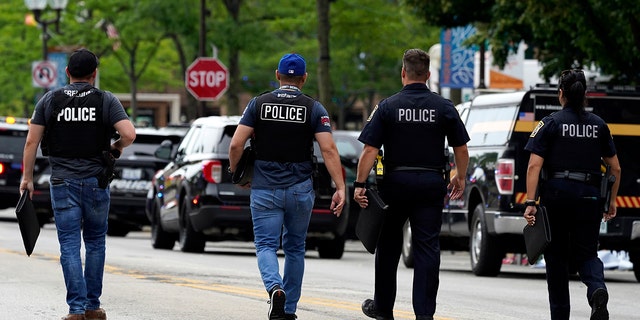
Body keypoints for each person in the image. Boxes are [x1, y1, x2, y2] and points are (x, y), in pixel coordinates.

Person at [353, 48, 470, 320]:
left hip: (394, 184)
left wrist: (360, 183)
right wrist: (460, 176)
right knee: (427, 249)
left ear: (403, 73)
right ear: (428, 75)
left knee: (389, 246)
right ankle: (424, 314)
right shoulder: (444, 107)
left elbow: (370, 150)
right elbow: (461, 149)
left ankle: (383, 309)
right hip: (430, 184)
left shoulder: (387, 106)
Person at [20, 48, 136, 320]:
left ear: (67, 72)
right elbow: (129, 134)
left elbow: (31, 142)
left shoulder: (49, 100)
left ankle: (76, 310)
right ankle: (93, 307)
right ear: (94, 74)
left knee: (69, 245)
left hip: (62, 182)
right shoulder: (106, 100)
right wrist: (116, 148)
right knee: (95, 242)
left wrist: (27, 178)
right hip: (97, 182)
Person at [228, 53, 346, 320]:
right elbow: (328, 149)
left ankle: (274, 288)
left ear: (277, 75)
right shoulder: (315, 108)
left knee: (266, 245)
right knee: (295, 248)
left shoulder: (258, 104)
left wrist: (237, 173)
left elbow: (236, 144)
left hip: (265, 187)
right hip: (300, 188)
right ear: (304, 78)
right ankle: (289, 309)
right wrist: (341, 186)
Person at [523, 69, 620, 320]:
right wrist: (611, 201)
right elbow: (616, 167)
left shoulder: (550, 123)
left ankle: (560, 316)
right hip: (589, 198)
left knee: (556, 257)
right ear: (584, 94)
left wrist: (531, 202)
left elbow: (534, 166)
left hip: (556, 197)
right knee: (587, 253)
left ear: (561, 94)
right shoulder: (599, 125)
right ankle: (597, 289)